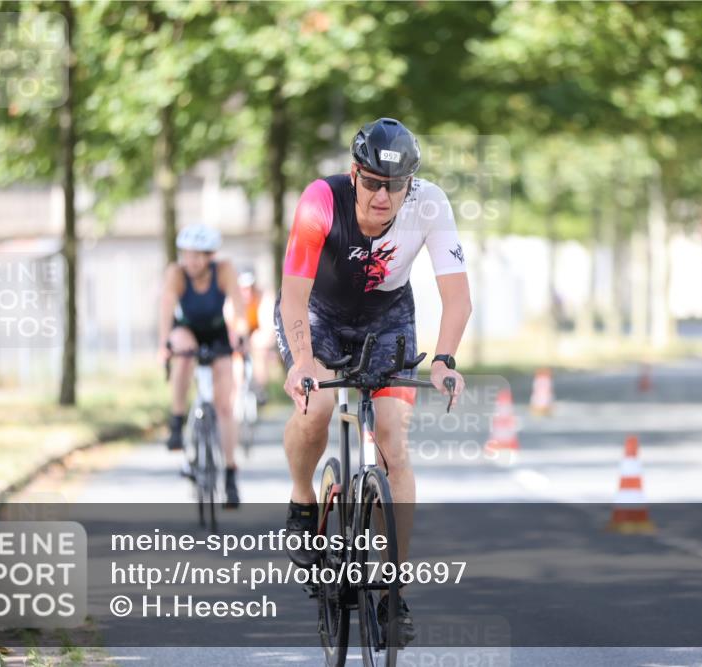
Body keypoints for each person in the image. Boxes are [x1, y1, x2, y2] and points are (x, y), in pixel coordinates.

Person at [275, 118, 472, 644]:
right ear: (354, 173)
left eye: (396, 186)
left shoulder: (430, 203)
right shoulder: (320, 200)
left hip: (387, 319)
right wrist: (301, 363)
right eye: (372, 183)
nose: (383, 197)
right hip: (318, 315)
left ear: (411, 183)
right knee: (314, 409)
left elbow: (457, 297)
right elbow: (293, 295)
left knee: (393, 442)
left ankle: (391, 591)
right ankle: (301, 503)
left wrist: (445, 358)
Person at [158, 224, 247, 508]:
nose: (191, 261)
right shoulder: (176, 273)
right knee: (183, 353)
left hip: (217, 333)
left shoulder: (224, 270)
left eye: (198, 256)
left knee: (225, 404)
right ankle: (176, 419)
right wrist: (164, 346)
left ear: (210, 256)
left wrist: (241, 337)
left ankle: (230, 473)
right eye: (187, 255)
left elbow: (238, 305)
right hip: (186, 330)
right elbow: (166, 310)